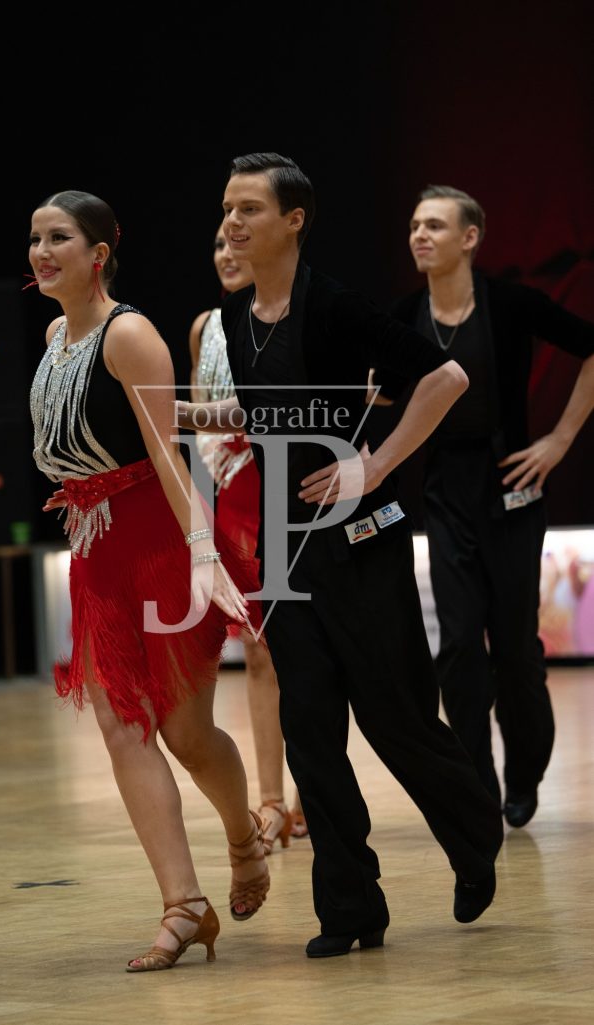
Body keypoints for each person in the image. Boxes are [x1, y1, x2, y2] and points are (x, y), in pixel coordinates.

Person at [177, 154, 504, 958]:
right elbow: (261, 412)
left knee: (393, 716)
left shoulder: (335, 305)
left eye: (248, 208)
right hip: (285, 548)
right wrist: (181, 413)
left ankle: (473, 836)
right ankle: (351, 906)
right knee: (310, 729)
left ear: (293, 220)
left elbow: (446, 377)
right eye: (226, 208)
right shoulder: (232, 317)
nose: (230, 223)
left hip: (361, 539)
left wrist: (376, 463)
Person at [27, 190, 271, 973]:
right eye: (34, 239)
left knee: (185, 733)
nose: (41, 252)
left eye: (57, 237)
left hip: (161, 541)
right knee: (120, 725)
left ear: (98, 253)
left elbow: (167, 453)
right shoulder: (54, 336)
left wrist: (203, 553)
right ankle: (183, 904)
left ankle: (243, 838)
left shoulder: (129, 333)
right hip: (96, 548)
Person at [372, 185, 594, 825]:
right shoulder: (404, 315)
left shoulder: (512, 303)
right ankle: (476, 786)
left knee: (517, 650)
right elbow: (386, 394)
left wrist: (559, 440)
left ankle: (525, 774)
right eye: (415, 225)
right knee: (460, 646)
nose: (419, 235)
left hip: (512, 489)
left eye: (435, 225)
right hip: (445, 493)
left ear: (469, 238)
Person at [189, 223, 307, 851]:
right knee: (258, 649)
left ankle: (312, 789)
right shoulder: (204, 326)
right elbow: (197, 421)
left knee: (306, 647)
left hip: (285, 484)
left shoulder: (296, 315)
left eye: (235, 241)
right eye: (217, 244)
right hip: (228, 495)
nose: (225, 253)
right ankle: (270, 800)